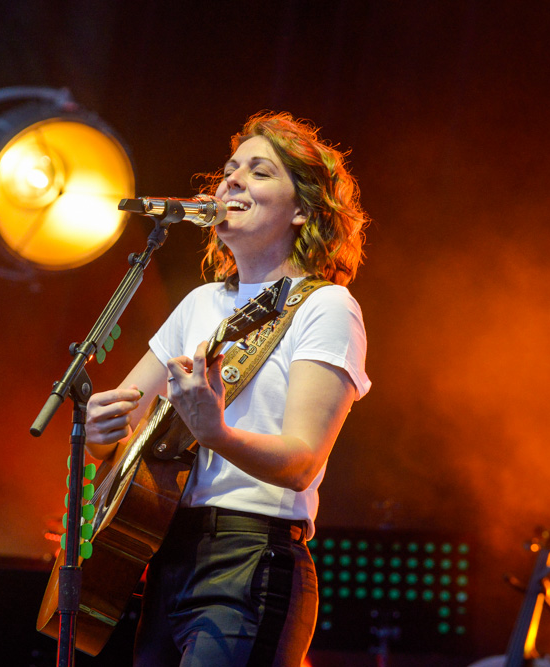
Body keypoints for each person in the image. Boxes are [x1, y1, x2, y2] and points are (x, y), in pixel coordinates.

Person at [84, 111, 371, 666]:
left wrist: (214, 431)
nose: (232, 180)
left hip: (251, 557)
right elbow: (121, 439)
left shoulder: (325, 307)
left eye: (259, 172)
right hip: (165, 554)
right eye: (230, 169)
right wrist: (100, 432)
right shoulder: (199, 304)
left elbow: (301, 462)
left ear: (303, 209)